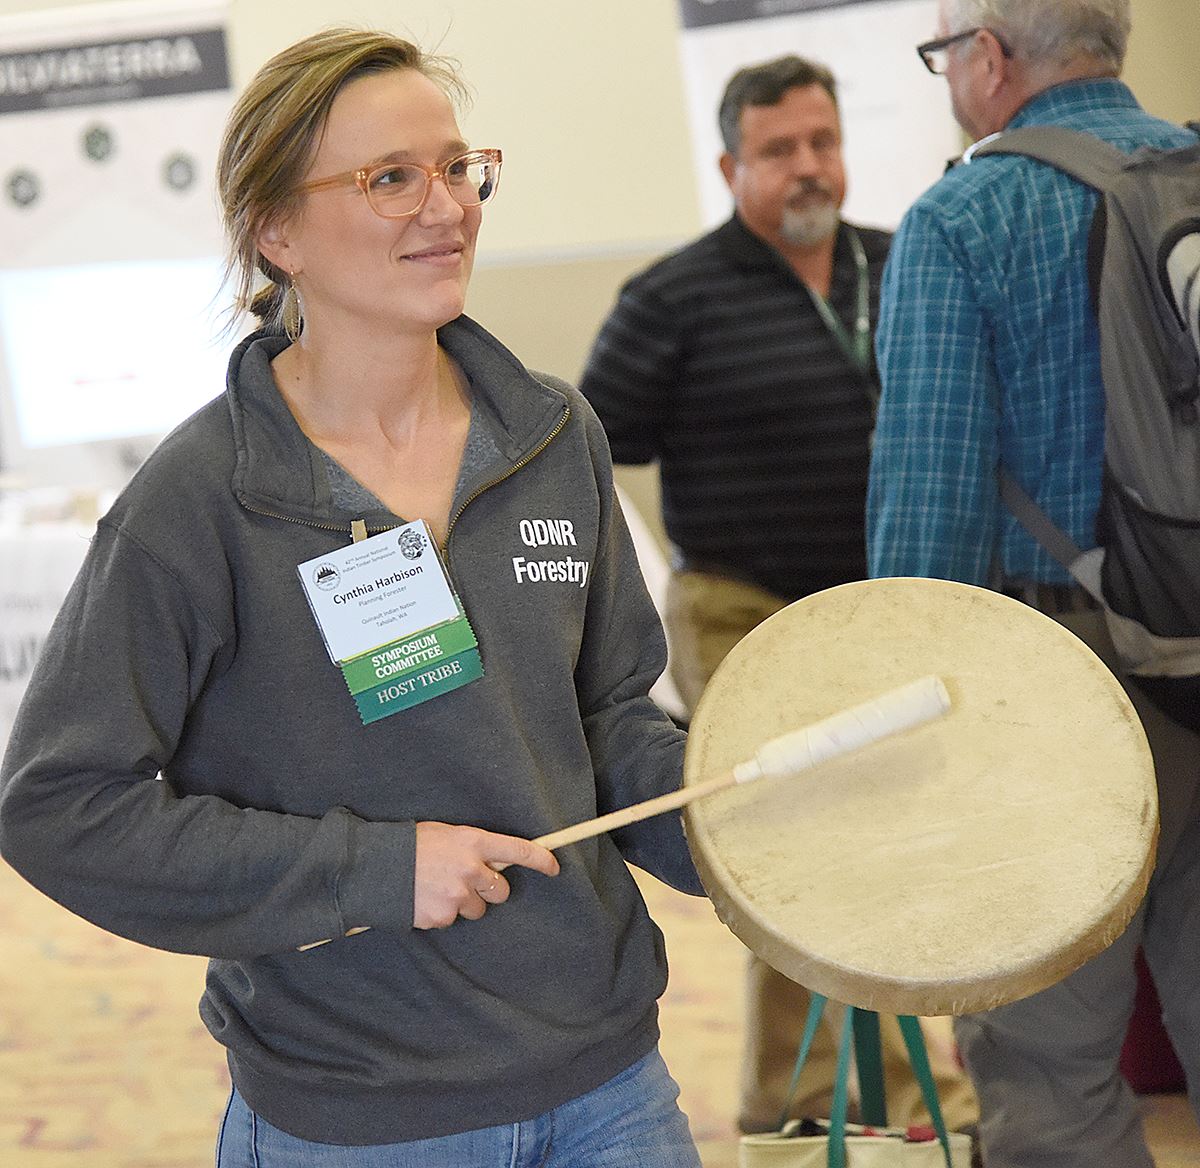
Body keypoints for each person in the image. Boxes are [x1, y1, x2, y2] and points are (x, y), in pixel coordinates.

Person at [0, 29, 709, 1167]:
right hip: (360, 1110)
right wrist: (372, 870)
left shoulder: (552, 435)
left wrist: (725, 832)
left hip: (608, 1081)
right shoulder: (202, 502)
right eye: (391, 179)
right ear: (276, 231)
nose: (448, 206)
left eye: (458, 166)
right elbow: (60, 804)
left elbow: (606, 716)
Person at [580, 55, 976, 1136]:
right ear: (730, 164)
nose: (808, 168)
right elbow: (584, 451)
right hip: (741, 611)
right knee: (825, 839)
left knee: (863, 845)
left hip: (886, 605)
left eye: (822, 142)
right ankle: (918, 1101)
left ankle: (789, 1098)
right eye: (779, 150)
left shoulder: (903, 264)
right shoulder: (673, 297)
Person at [868, 2, 1200, 1164]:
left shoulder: (965, 217)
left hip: (1060, 695)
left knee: (1049, 1067)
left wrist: (902, 735)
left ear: (991, 59)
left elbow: (929, 523)